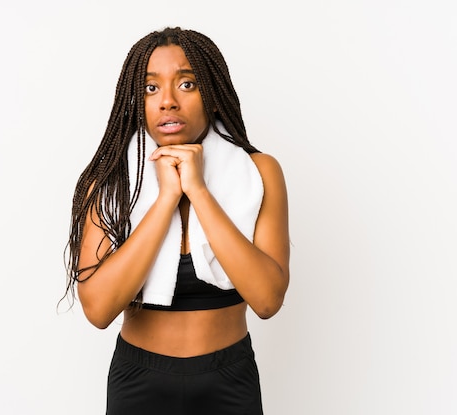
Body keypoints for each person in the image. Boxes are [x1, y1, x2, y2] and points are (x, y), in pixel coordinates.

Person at [63, 26, 290, 415]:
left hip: (229, 382)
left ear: (213, 97)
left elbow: (267, 300)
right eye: (151, 88)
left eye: (187, 84)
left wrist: (198, 191)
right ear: (136, 102)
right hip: (139, 383)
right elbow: (98, 309)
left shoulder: (259, 172)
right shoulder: (112, 182)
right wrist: (166, 198)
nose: (167, 101)